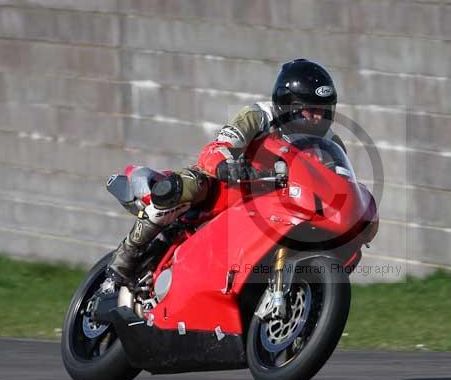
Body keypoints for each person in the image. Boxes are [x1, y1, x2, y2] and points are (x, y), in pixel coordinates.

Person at [106, 58, 346, 287]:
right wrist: (226, 165)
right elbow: (221, 145)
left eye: (324, 110)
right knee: (189, 186)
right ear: (288, 105)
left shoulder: (329, 143)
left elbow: (339, 182)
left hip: (280, 206)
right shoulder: (258, 116)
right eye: (310, 110)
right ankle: (126, 256)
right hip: (230, 187)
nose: (318, 118)